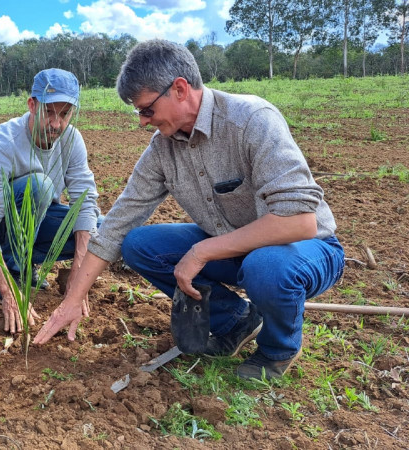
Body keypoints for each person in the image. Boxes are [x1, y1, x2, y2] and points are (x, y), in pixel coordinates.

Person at [34, 40, 345, 380]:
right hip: (235, 247)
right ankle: (236, 322)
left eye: (146, 110)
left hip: (305, 248)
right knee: (138, 245)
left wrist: (202, 251)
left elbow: (299, 222)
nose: (142, 122)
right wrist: (73, 300)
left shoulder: (251, 120)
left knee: (266, 266)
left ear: (180, 89)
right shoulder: (162, 149)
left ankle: (277, 349)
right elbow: (118, 222)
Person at [0, 68, 101, 333]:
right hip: (0, 228)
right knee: (38, 186)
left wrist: (79, 271)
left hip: (37, 223)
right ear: (32, 105)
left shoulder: (71, 139)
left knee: (102, 229)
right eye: (48, 112)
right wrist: (7, 289)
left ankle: (30, 263)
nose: (56, 124)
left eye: (65, 114)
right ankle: (13, 272)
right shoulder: (0, 144)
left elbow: (84, 201)